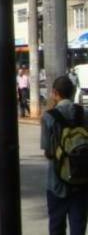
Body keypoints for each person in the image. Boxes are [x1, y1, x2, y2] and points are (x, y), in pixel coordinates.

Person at [42, 74, 88, 233]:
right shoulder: (84, 113)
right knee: (78, 226)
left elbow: (47, 150)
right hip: (82, 179)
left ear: (55, 93)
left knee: (56, 226)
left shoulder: (49, 117)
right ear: (73, 91)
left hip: (56, 182)